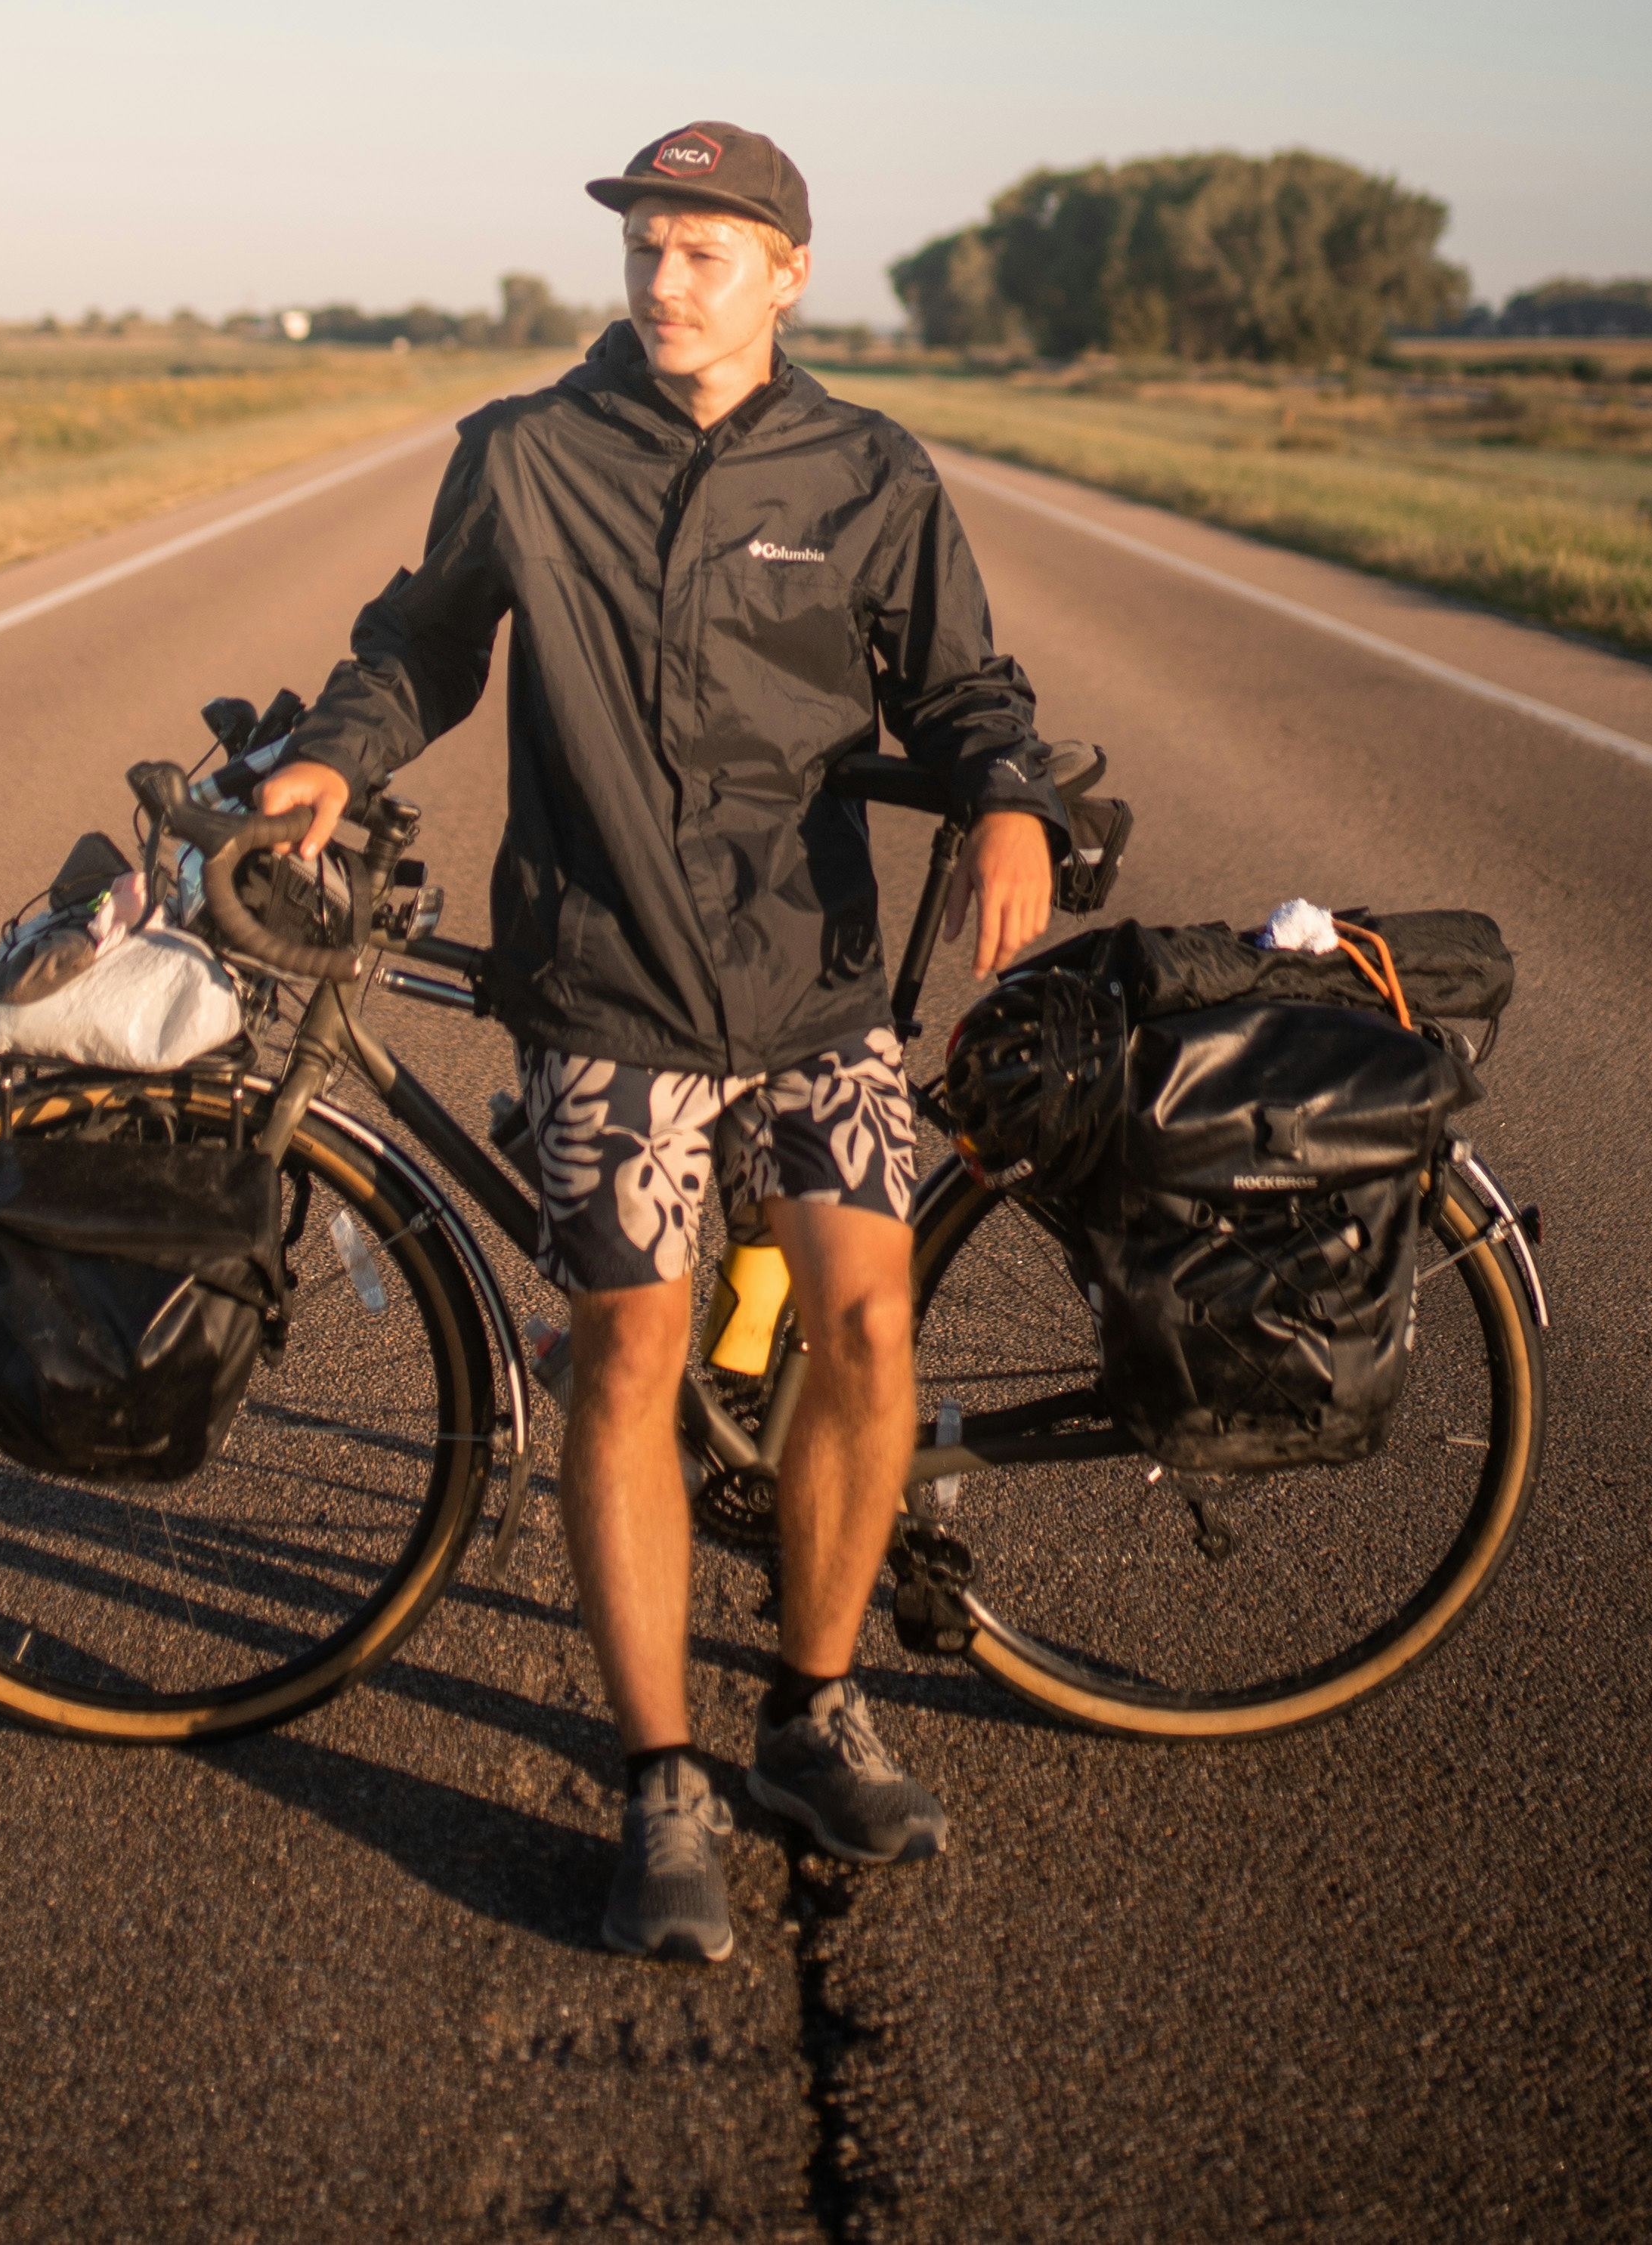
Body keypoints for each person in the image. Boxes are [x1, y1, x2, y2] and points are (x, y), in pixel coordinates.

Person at [261, 121, 1066, 1962]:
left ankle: (810, 1714)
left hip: (812, 982)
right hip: (609, 974)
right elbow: (423, 644)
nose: (664, 282)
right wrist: (333, 755)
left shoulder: (869, 470)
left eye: (706, 252)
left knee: (869, 1328)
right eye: (644, 248)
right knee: (628, 1353)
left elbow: (958, 683)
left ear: (788, 274)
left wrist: (1006, 795)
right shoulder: (527, 452)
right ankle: (657, 1781)